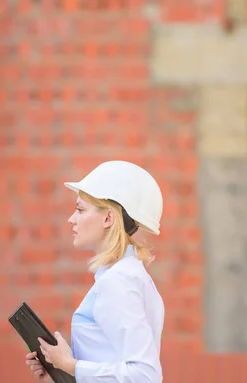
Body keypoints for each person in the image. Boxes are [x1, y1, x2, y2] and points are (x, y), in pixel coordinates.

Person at [25, 160, 165, 383]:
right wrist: (58, 375)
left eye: (80, 209)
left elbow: (145, 376)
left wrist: (70, 365)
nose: (72, 218)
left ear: (108, 218)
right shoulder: (129, 276)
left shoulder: (119, 281)